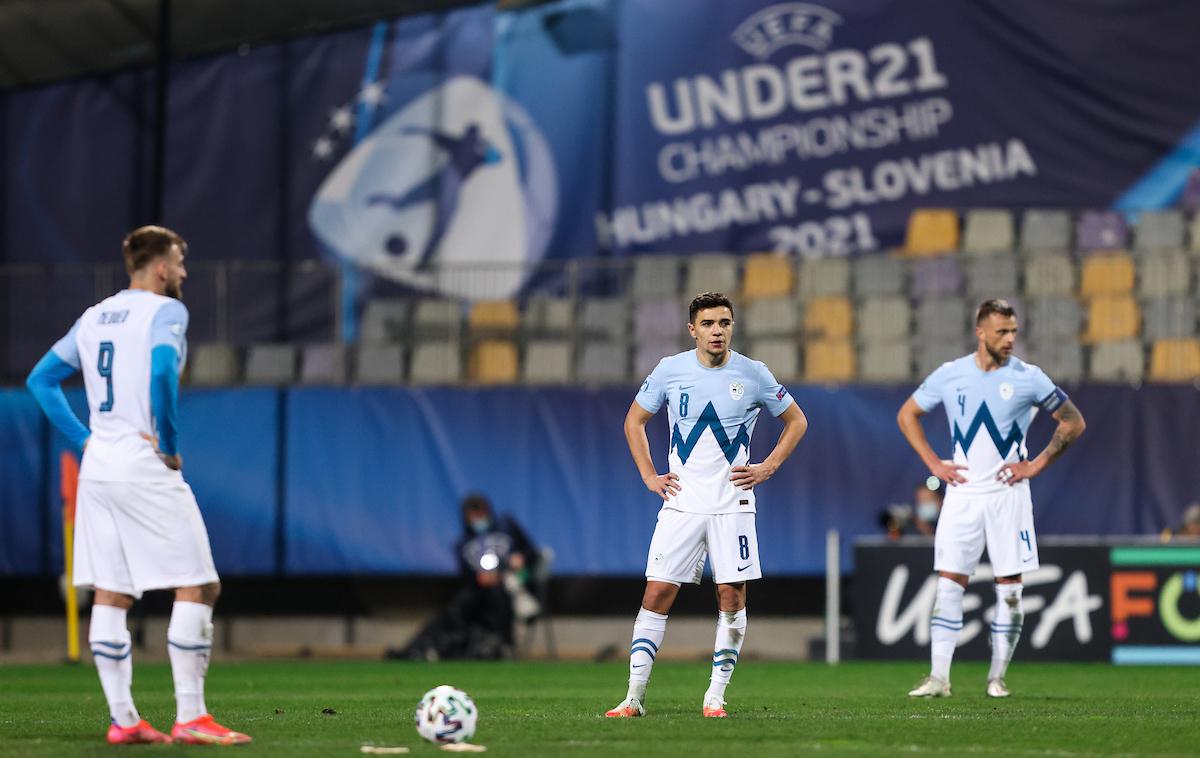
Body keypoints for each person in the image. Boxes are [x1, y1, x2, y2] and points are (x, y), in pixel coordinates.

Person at [25, 226, 250, 745]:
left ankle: (124, 720)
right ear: (162, 267)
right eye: (180, 261)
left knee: (113, 591)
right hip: (143, 463)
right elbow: (164, 371)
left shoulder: (94, 315)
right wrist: (169, 445)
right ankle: (191, 717)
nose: (185, 273)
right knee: (199, 583)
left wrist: (84, 440)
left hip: (99, 466)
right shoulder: (166, 311)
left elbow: (41, 379)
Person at [605, 292, 808, 719]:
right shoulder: (670, 370)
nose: (718, 330)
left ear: (732, 326)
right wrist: (648, 475)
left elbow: (796, 420)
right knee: (657, 592)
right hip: (682, 504)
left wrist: (767, 466)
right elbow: (634, 420)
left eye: (725, 322)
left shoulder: (753, 373)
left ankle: (715, 695)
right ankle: (634, 697)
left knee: (732, 597)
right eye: (709, 323)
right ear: (692, 329)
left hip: (733, 504)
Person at [896, 298, 1086, 699]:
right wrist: (933, 462)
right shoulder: (951, 375)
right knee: (948, 585)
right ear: (980, 332)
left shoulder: (1029, 378)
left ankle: (996, 678)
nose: (1010, 339)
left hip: (1008, 497)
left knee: (1010, 590)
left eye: (1014, 331)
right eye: (1002, 331)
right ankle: (939, 678)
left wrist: (1036, 464)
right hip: (962, 496)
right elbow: (907, 414)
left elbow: (1073, 421)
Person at [392, 494, 541, 660]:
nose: (478, 520)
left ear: (488, 512)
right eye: (473, 516)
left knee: (497, 594)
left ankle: (506, 645)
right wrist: (480, 579)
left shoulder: (508, 527)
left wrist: (520, 561)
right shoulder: (463, 543)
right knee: (456, 608)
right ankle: (416, 648)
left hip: (514, 588)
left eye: (481, 514)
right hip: (479, 594)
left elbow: (533, 555)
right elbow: (466, 578)